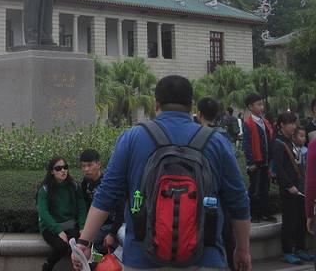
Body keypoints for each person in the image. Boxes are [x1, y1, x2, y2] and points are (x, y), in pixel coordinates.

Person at [72, 75, 252, 271]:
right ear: (191, 105)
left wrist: (84, 242)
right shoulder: (216, 142)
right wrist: (243, 249)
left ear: (156, 103)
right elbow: (238, 200)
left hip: (141, 258)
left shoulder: (132, 138)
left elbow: (107, 194)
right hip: (204, 257)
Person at [197, 97, 236, 271]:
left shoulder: (198, 136)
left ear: (199, 114)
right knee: (227, 234)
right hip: (223, 193)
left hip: (205, 194)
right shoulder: (223, 136)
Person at [272, 114, 315, 264]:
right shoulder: (278, 143)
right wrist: (288, 185)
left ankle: (300, 248)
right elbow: (279, 168)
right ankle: (287, 251)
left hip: (300, 186)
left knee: (301, 218)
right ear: (282, 125)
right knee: (290, 220)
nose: (294, 126)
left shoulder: (291, 141)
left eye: (294, 123)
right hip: (289, 189)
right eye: (290, 123)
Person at [37, 156, 87, 271]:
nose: (63, 170)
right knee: (61, 247)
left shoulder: (74, 186)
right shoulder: (44, 190)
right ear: (51, 171)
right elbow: (43, 213)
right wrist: (58, 230)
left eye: (65, 167)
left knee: (78, 247)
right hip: (50, 227)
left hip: (70, 224)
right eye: (58, 168)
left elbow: (82, 207)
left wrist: (82, 227)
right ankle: (47, 266)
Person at [79, 148, 124, 254]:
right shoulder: (86, 182)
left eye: (89, 165)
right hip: (96, 224)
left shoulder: (108, 184)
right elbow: (86, 205)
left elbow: (121, 210)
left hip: (111, 224)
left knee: (87, 244)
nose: (86, 169)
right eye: (83, 166)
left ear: (98, 164)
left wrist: (112, 233)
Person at [242, 93, 276, 223]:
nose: (262, 107)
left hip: (266, 161)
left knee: (265, 188)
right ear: (250, 107)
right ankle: (254, 214)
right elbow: (246, 144)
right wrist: (250, 162)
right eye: (259, 104)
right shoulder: (248, 123)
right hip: (256, 163)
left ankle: (265, 213)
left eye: (262, 104)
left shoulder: (264, 121)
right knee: (254, 189)